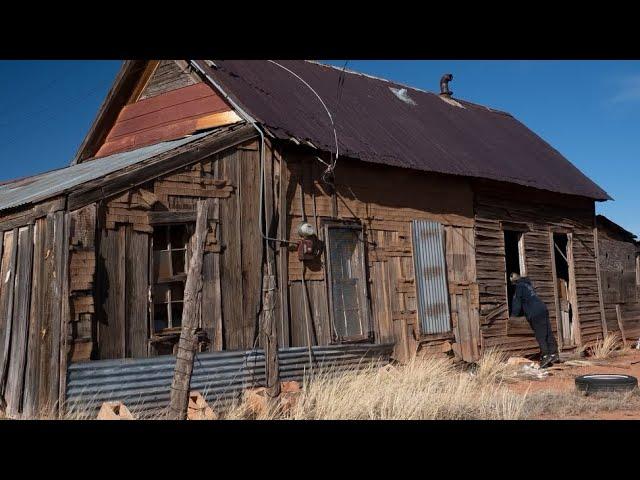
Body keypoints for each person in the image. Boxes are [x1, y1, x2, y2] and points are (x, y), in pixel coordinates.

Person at [509, 272, 560, 368]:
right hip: (542, 308)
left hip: (535, 311)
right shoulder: (527, 285)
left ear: (514, 282)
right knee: (548, 332)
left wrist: (513, 316)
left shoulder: (519, 287)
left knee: (540, 334)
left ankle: (546, 356)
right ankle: (554, 354)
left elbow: (517, 303)